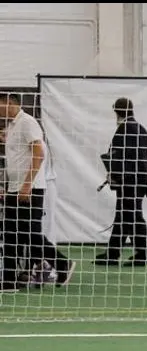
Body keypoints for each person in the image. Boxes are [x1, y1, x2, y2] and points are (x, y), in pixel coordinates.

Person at [0, 93, 74, 293]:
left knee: (30, 235)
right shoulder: (12, 126)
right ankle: (9, 280)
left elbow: (38, 155)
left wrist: (27, 185)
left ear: (9, 103)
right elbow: (16, 158)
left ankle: (61, 264)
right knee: (11, 235)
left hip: (30, 189)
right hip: (14, 189)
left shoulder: (28, 123)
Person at [95, 97, 147, 267]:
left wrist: (113, 174)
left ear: (116, 111)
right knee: (128, 216)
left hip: (129, 181)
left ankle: (138, 255)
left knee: (129, 217)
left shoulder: (124, 129)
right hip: (140, 179)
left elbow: (120, 157)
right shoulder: (142, 129)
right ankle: (118, 253)